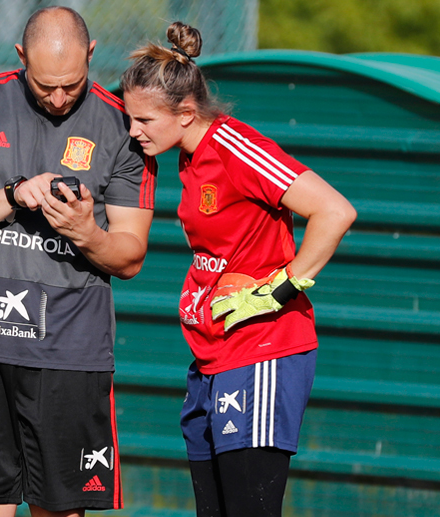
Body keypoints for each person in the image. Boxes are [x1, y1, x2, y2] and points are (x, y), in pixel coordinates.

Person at [0, 6, 157, 517]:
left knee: (60, 509)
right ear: (20, 56)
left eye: (71, 85)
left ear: (92, 56)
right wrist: (11, 195)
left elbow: (131, 254)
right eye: (45, 84)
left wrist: (85, 232)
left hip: (69, 350)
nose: (58, 98)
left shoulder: (123, 123)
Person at [120, 22, 356, 517]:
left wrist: (279, 290)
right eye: (128, 117)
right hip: (210, 357)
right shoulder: (186, 159)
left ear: (185, 114)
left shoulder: (235, 147)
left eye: (143, 120)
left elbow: (335, 211)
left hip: (263, 352)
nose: (132, 131)